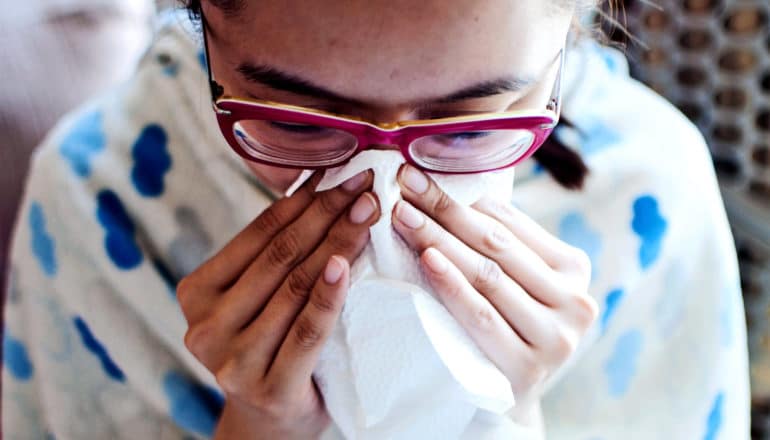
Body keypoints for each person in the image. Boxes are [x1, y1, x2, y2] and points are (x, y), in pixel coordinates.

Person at [2, 0, 750, 438]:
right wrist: (259, 427)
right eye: (296, 120)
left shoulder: (649, 197)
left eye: (465, 128)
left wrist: (502, 410)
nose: (383, 198)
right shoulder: (104, 197)